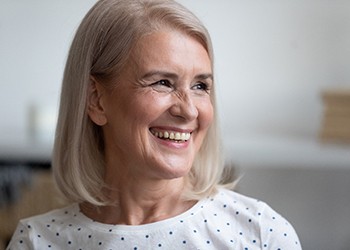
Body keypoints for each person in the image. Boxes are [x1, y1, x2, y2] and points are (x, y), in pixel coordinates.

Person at [7, 0, 302, 249]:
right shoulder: (36, 242)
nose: (188, 110)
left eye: (200, 86)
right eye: (162, 83)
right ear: (95, 99)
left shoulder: (261, 234)